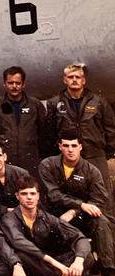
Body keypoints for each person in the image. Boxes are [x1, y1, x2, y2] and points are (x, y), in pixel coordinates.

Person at [37, 135, 115, 276]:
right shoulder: (47, 165)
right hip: (53, 215)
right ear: (60, 147)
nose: (70, 150)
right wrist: (80, 205)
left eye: (74, 145)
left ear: (80, 147)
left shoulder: (91, 171)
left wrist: (75, 210)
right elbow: (52, 194)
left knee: (101, 222)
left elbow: (98, 199)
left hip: (81, 217)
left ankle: (108, 271)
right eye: (66, 146)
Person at [1, 175, 98, 276]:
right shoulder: (9, 219)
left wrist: (78, 261)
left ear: (38, 196)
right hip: (33, 262)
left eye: (32, 194)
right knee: (22, 255)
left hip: (49, 264)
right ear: (17, 196)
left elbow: (78, 236)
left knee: (86, 256)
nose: (29, 198)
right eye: (24, 194)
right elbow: (20, 243)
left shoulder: (46, 217)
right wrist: (57, 265)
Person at [45, 63, 115, 197]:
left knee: (102, 194)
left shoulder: (98, 101)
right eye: (70, 77)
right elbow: (50, 132)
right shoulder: (55, 103)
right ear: (65, 80)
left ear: (84, 80)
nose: (74, 80)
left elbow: (111, 130)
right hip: (68, 157)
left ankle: (107, 219)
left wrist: (104, 152)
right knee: (72, 195)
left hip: (95, 156)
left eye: (78, 77)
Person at [0, 66, 47, 175]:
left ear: (23, 84)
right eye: (10, 83)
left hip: (30, 160)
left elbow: (44, 134)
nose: (14, 86)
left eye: (18, 83)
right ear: (4, 83)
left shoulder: (35, 105)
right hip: (6, 160)